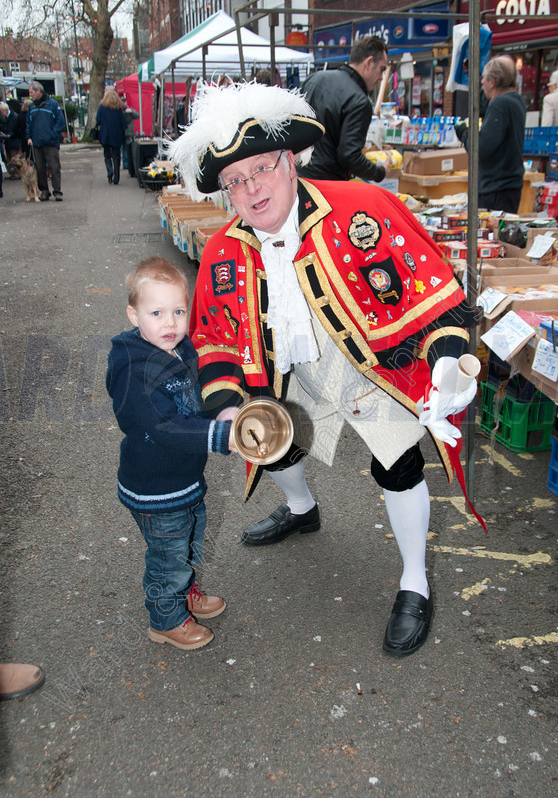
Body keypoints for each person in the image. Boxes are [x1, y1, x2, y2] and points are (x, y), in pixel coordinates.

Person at [169, 82, 480, 657]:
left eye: (260, 169)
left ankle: (414, 578)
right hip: (285, 373)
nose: (251, 188)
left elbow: (432, 294)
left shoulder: (363, 208)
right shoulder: (220, 255)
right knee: (273, 444)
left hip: (368, 370)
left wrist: (446, 367)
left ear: (289, 162)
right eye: (235, 180)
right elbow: (212, 340)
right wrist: (232, 406)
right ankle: (301, 509)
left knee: (398, 462)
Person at [106, 256, 239, 651]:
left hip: (184, 478)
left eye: (179, 311)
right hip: (154, 485)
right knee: (167, 554)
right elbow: (161, 426)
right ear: (134, 315)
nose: (170, 323)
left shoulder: (181, 347)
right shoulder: (133, 365)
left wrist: (223, 410)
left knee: (191, 539)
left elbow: (195, 398)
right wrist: (219, 435)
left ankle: (184, 593)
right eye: (157, 312)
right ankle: (166, 617)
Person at [298, 35, 389, 184]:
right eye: (381, 69)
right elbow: (349, 156)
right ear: (369, 62)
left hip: (299, 179)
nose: (381, 77)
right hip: (328, 185)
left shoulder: (314, 79)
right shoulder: (359, 101)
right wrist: (379, 172)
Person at [455, 55, 526, 214]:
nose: (481, 83)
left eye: (484, 80)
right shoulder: (516, 101)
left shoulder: (500, 104)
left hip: (495, 189)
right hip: (508, 187)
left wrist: (464, 133)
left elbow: (480, 148)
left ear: (492, 82)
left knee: (487, 235)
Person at [26, 81, 66, 202]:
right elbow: (28, 123)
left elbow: (61, 122)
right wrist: (28, 136)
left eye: (31, 92)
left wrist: (52, 134)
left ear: (39, 91)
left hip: (51, 143)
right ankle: (44, 191)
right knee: (40, 168)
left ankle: (57, 191)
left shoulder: (52, 104)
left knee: (54, 167)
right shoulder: (32, 107)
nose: (30, 95)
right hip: (37, 143)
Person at [96, 88, 127, 185]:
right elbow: (123, 124)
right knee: (116, 156)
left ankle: (110, 172)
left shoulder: (102, 107)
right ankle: (116, 178)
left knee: (107, 155)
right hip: (117, 135)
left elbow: (98, 120)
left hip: (105, 134)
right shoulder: (119, 108)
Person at [121, 99, 140, 176]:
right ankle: (125, 163)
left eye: (124, 101)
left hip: (129, 132)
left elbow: (137, 116)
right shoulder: (119, 110)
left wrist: (131, 111)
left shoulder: (129, 109)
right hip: (122, 132)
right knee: (123, 148)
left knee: (126, 148)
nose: (124, 103)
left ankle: (126, 164)